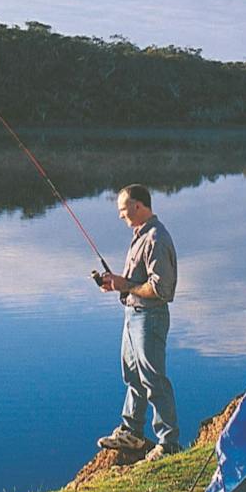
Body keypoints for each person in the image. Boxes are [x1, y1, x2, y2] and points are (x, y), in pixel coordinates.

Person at [94, 183, 179, 459]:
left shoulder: (156, 237)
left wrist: (126, 286)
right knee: (133, 376)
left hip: (149, 318)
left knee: (153, 379)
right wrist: (116, 284)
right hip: (133, 315)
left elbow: (161, 289)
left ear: (138, 206)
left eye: (123, 209)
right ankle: (132, 432)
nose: (120, 215)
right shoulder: (140, 235)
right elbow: (135, 282)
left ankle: (168, 443)